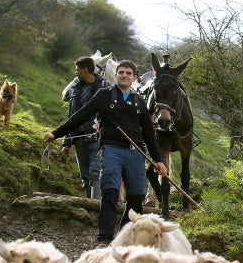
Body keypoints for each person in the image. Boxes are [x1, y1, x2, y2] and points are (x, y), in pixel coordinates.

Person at [45, 59, 168, 243]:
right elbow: (81, 115)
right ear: (116, 75)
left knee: (136, 198)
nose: (125, 75)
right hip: (111, 149)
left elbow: (149, 133)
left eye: (128, 73)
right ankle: (105, 237)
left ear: (134, 78)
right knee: (110, 191)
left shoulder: (139, 101)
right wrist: (56, 133)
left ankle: (124, 237)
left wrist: (158, 160)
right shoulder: (104, 95)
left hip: (135, 151)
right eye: (121, 72)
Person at [62, 56, 107, 199]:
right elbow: (72, 116)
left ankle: (96, 206)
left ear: (85, 70)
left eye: (77, 70)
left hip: (98, 138)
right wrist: (67, 142)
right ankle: (89, 204)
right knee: (85, 174)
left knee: (96, 172)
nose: (75, 73)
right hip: (79, 138)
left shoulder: (105, 87)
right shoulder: (75, 90)